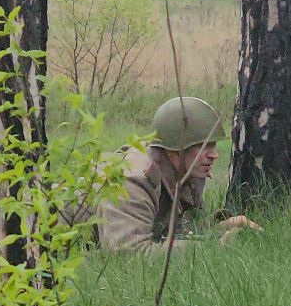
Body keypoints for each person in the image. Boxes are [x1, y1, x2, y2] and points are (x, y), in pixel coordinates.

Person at [95, 96, 262, 251]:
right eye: (203, 146)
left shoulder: (186, 172)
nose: (214, 155)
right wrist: (211, 248)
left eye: (213, 145)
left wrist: (220, 227)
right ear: (174, 150)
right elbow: (130, 255)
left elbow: (172, 231)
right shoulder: (133, 182)